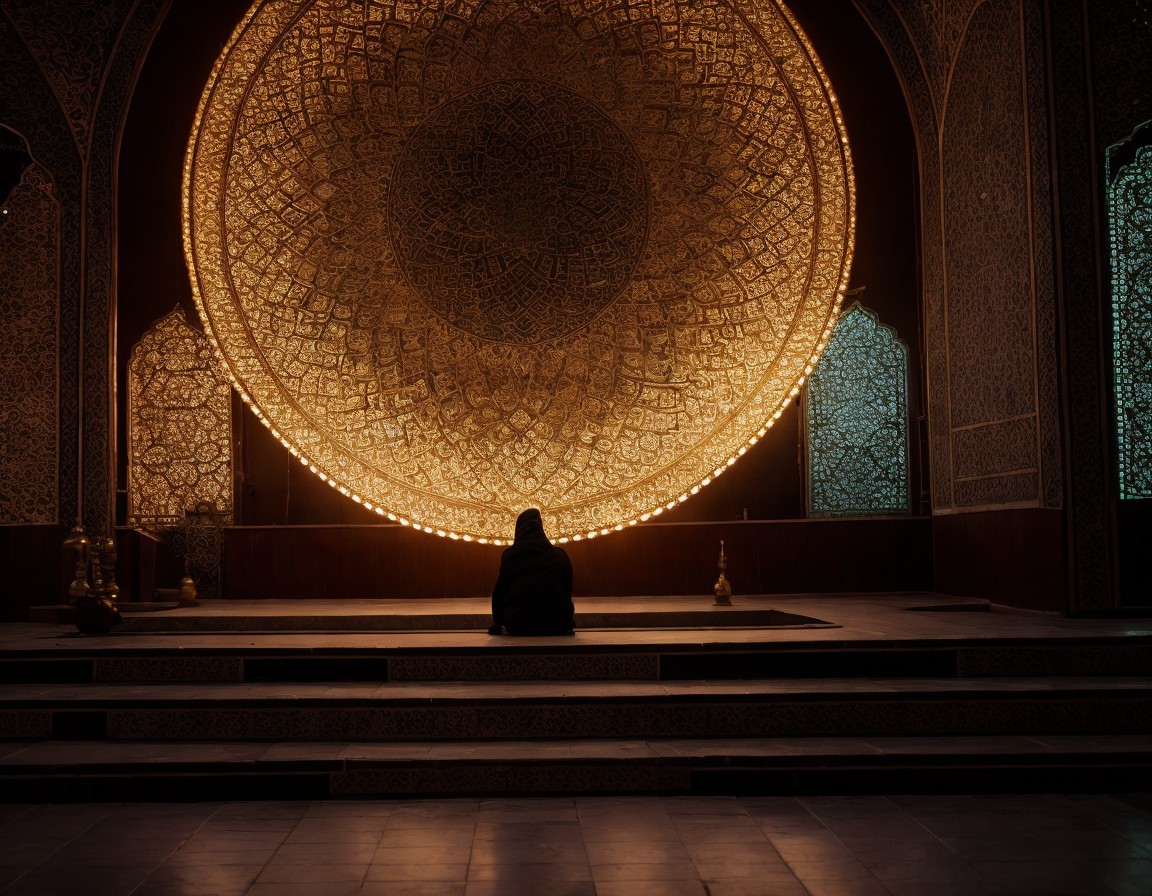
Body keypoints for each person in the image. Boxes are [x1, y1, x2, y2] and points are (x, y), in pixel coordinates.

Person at [488, 508, 575, 636]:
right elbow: (567, 588)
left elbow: (499, 593)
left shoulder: (511, 555)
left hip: (519, 624)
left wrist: (499, 622)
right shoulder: (558, 555)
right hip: (556, 624)